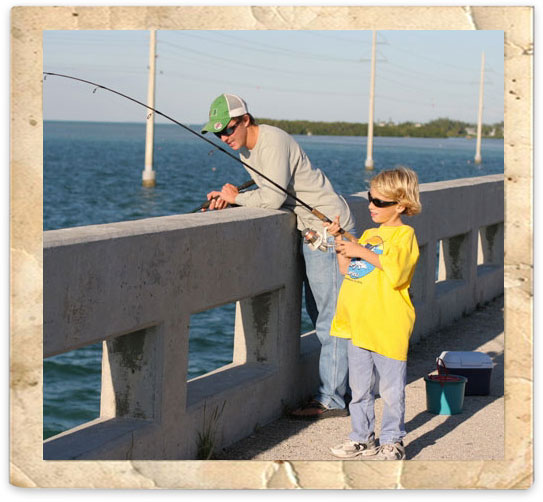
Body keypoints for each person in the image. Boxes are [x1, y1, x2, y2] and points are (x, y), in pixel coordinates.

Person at [200, 93, 355, 418]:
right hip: (312, 230)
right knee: (322, 315)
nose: (224, 138)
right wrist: (233, 197)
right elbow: (276, 193)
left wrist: (236, 199)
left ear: (245, 120)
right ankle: (345, 389)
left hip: (328, 229)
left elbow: (271, 199)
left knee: (331, 320)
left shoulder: (271, 142)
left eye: (227, 130)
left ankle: (333, 399)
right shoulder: (249, 152)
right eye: (218, 135)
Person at [325, 167, 421, 460]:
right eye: (370, 199)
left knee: (391, 391)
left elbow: (397, 272)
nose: (371, 206)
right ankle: (361, 438)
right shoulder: (368, 235)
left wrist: (360, 250)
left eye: (379, 202)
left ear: (401, 205)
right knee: (359, 390)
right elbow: (349, 271)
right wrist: (342, 245)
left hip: (388, 326)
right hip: (360, 326)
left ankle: (393, 440)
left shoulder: (405, 236)